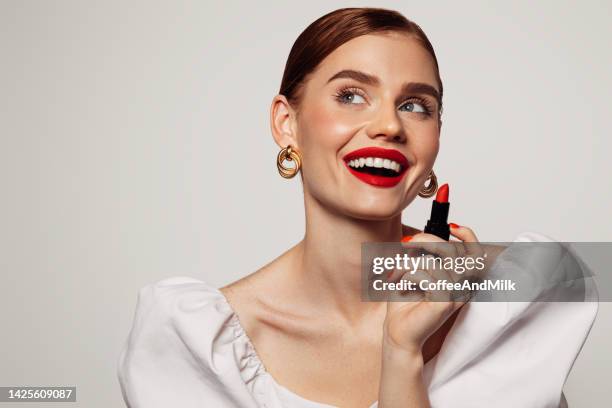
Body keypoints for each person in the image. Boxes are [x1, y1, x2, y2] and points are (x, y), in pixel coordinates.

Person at [117, 7, 597, 408]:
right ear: (287, 124)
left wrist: (404, 352)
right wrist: (400, 349)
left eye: (416, 105)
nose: (389, 124)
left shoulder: (520, 302)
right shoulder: (195, 344)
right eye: (351, 95)